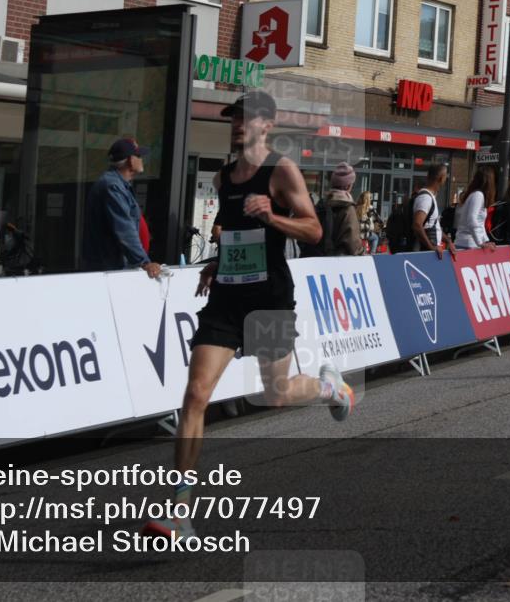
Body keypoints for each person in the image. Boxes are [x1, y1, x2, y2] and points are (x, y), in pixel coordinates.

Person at [143, 91, 354, 539]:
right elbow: (237, 232)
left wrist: (274, 217)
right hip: (226, 298)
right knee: (196, 394)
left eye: (246, 118)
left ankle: (329, 387)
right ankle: (180, 510)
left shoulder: (281, 171)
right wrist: (220, 262)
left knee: (275, 394)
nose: (237, 124)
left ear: (267, 125)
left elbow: (315, 229)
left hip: (270, 298)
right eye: (233, 118)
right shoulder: (224, 178)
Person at [82, 138, 162, 278]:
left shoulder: (118, 185)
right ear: (131, 160)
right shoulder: (113, 186)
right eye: (139, 156)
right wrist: (144, 262)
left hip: (111, 267)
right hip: (108, 271)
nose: (142, 159)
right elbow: (124, 228)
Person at [320, 162, 363, 256]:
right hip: (341, 263)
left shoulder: (322, 204)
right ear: (348, 186)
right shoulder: (347, 208)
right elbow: (353, 244)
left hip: (320, 261)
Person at [413, 164, 456, 257]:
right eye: (445, 177)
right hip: (427, 254)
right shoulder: (425, 198)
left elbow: (432, 225)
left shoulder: (430, 196)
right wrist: (431, 247)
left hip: (431, 252)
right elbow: (417, 225)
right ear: (441, 179)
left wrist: (448, 240)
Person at [454, 167, 497, 251]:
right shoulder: (478, 195)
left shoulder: (477, 195)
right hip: (467, 244)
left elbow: (480, 223)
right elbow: (472, 219)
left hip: (471, 243)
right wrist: (481, 242)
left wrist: (486, 241)